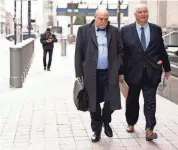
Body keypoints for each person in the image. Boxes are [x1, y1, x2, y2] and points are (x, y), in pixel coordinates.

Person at [120, 4, 171, 141]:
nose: (143, 14)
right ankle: (131, 122)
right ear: (135, 14)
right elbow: (122, 53)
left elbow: (161, 49)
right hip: (132, 72)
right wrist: (121, 72)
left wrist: (167, 68)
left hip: (151, 72)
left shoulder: (156, 29)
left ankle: (149, 129)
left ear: (148, 13)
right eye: (140, 12)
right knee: (132, 100)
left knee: (150, 101)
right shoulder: (125, 30)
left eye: (145, 11)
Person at [74, 8, 123, 142]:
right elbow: (78, 52)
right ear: (95, 17)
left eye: (106, 19)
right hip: (91, 73)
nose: (103, 21)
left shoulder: (114, 31)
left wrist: (118, 66)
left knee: (110, 100)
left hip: (109, 73)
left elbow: (120, 51)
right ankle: (97, 130)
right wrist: (78, 73)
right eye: (101, 19)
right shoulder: (83, 30)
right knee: (93, 104)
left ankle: (105, 120)